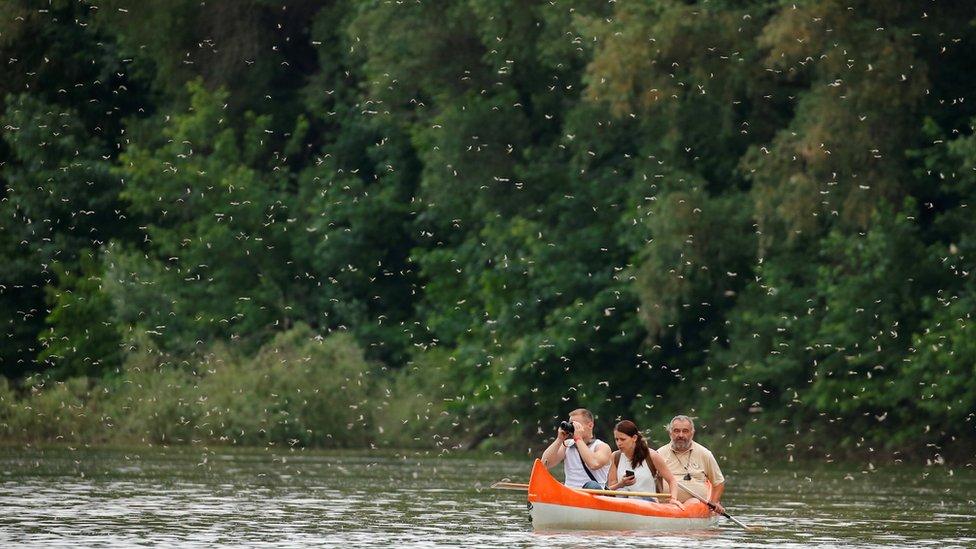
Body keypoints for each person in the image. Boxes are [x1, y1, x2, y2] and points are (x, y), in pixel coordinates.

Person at [657, 415, 726, 514]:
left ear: (692, 433)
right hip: (665, 505)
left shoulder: (705, 454)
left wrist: (714, 502)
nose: (680, 435)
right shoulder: (659, 454)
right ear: (670, 433)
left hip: (695, 506)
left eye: (685, 431)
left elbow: (719, 482)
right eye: (676, 431)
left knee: (693, 502)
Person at [606, 420, 683, 507]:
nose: (619, 443)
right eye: (616, 439)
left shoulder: (652, 456)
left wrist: (673, 499)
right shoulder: (615, 456)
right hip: (621, 504)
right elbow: (609, 489)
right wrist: (621, 484)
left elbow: (672, 480)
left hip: (647, 505)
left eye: (623, 439)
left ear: (634, 438)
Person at [540, 408, 611, 489]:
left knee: (592, 485)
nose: (573, 428)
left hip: (593, 494)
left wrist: (578, 439)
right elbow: (544, 464)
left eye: (576, 425)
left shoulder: (602, 447)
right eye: (571, 425)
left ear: (590, 425)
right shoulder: (567, 445)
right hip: (570, 493)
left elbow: (594, 464)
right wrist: (559, 439)